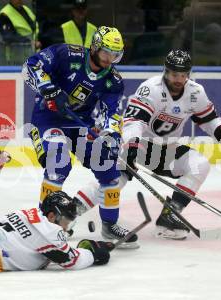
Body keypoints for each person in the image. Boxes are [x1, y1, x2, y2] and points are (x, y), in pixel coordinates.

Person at [22, 26, 139, 248]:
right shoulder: (67, 54)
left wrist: (111, 137)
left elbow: (110, 114)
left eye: (115, 55)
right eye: (106, 53)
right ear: (95, 47)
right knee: (58, 163)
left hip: (79, 124)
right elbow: (31, 64)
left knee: (108, 166)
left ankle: (109, 224)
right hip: (47, 120)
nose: (109, 59)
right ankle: (44, 225)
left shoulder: (113, 81)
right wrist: (49, 90)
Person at [120, 49, 221, 240]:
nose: (179, 79)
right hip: (141, 146)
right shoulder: (150, 88)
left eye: (183, 75)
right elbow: (135, 121)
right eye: (175, 74)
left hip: (167, 152)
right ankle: (74, 208)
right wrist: (131, 145)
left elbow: (209, 119)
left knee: (199, 164)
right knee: (115, 177)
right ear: (166, 72)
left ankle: (170, 215)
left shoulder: (195, 92)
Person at [0, 191, 112, 272]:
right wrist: (95, 254)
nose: (66, 228)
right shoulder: (50, 232)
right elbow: (73, 261)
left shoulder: (28, 212)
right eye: (65, 221)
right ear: (52, 216)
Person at [0, 0, 41, 65]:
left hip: (32, 53)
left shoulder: (26, 9)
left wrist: (36, 41)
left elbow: (34, 27)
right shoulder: (5, 14)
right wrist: (29, 41)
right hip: (17, 56)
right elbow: (8, 37)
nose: (20, 0)